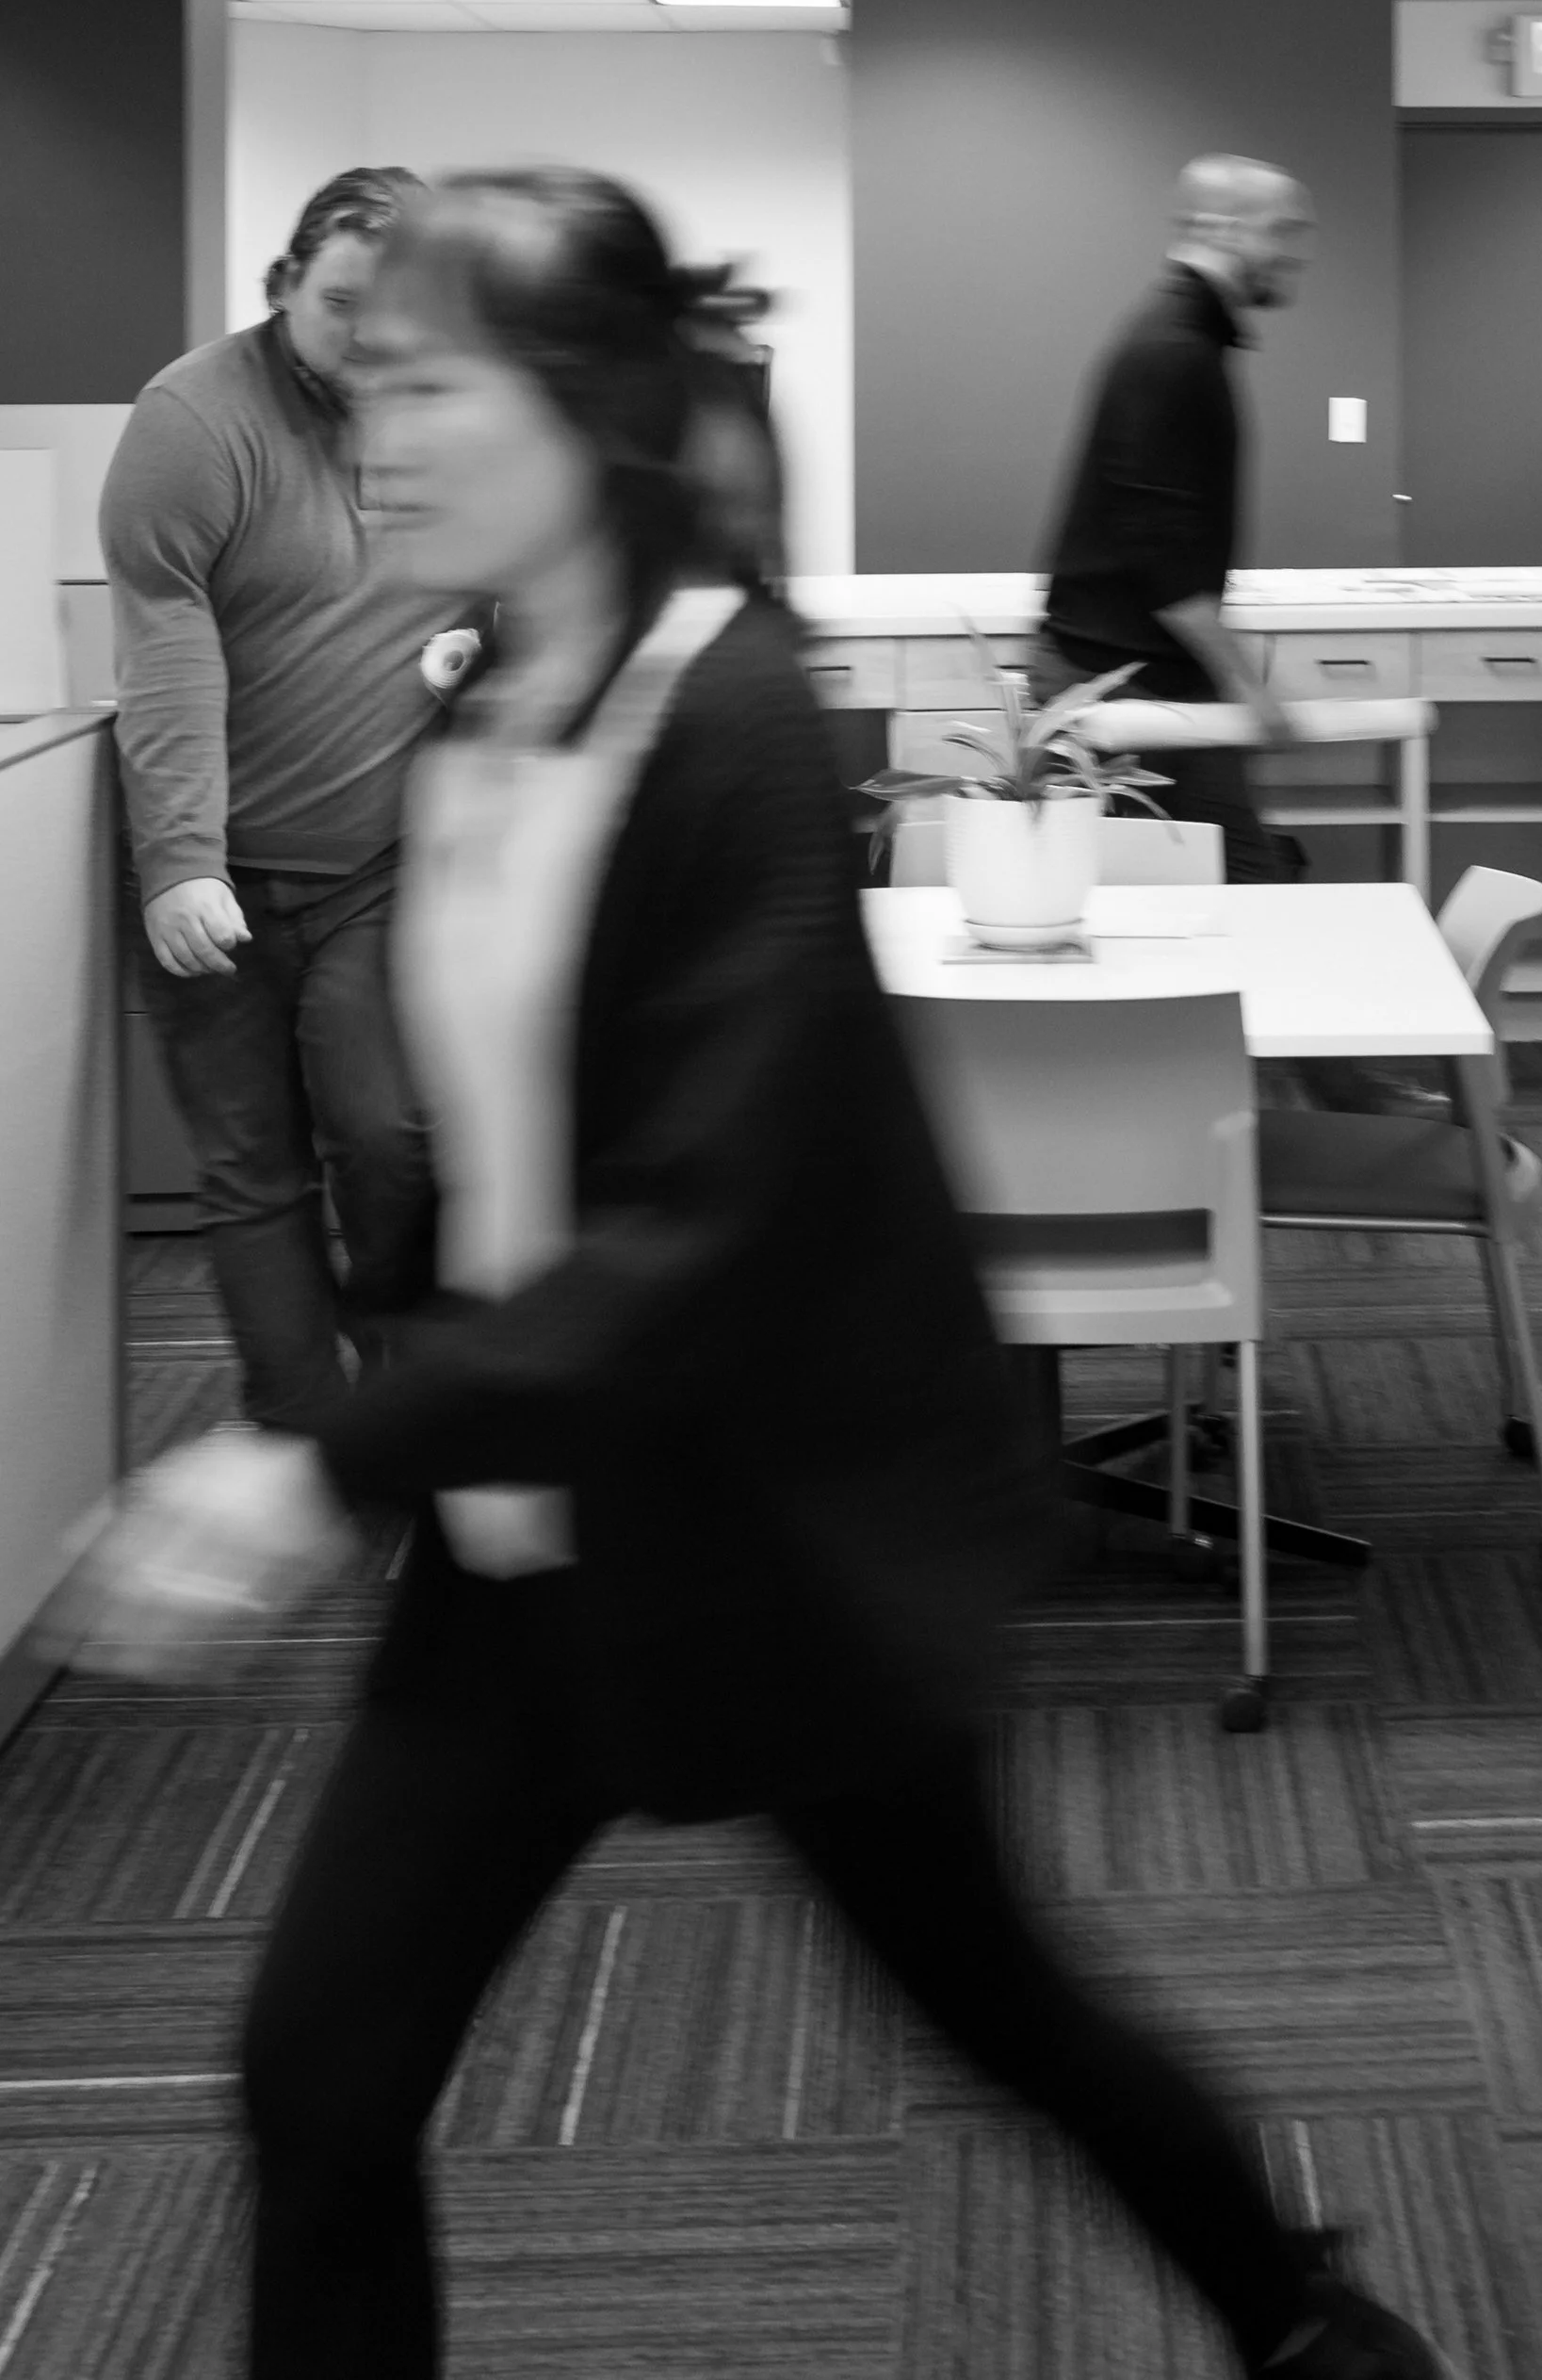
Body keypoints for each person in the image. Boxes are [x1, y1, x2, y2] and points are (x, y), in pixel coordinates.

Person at [58, 169, 1453, 2380]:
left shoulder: (734, 722)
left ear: (590, 409)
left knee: (1004, 2007)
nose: (380, 428)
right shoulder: (480, 687)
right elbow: (494, 1146)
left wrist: (316, 1453)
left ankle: (1308, 2324)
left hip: (781, 1532)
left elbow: (694, 1229)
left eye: (434, 383)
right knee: (315, 2085)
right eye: (372, 379)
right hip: (530, 1532)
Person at [98, 167, 465, 1429]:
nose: (371, 340)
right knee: (251, 1172)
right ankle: (305, 1436)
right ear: (284, 287)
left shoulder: (454, 413)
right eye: (342, 306)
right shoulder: (193, 420)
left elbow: (527, 581)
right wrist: (179, 855)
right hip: (224, 878)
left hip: (383, 868)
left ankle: (408, 1416)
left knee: (390, 1136)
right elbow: (165, 643)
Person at [1039, 153, 1316, 878]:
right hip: (1120, 690)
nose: (1295, 253)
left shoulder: (1186, 340)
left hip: (1154, 681)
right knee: (1203, 900)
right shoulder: (1171, 351)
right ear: (1222, 227)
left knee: (1249, 885)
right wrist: (1251, 686)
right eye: (1282, 231)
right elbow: (1161, 556)